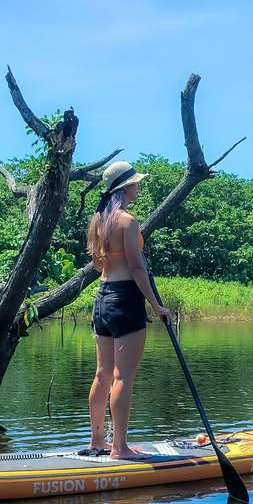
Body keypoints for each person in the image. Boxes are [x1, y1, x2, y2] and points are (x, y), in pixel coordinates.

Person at [84, 161, 171, 460]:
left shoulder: (97, 222)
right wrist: (156, 305)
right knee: (123, 377)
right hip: (125, 300)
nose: (138, 186)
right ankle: (119, 448)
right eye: (135, 182)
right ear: (124, 188)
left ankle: (98, 441)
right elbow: (136, 267)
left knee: (103, 375)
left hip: (103, 298)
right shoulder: (127, 222)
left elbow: (98, 264)